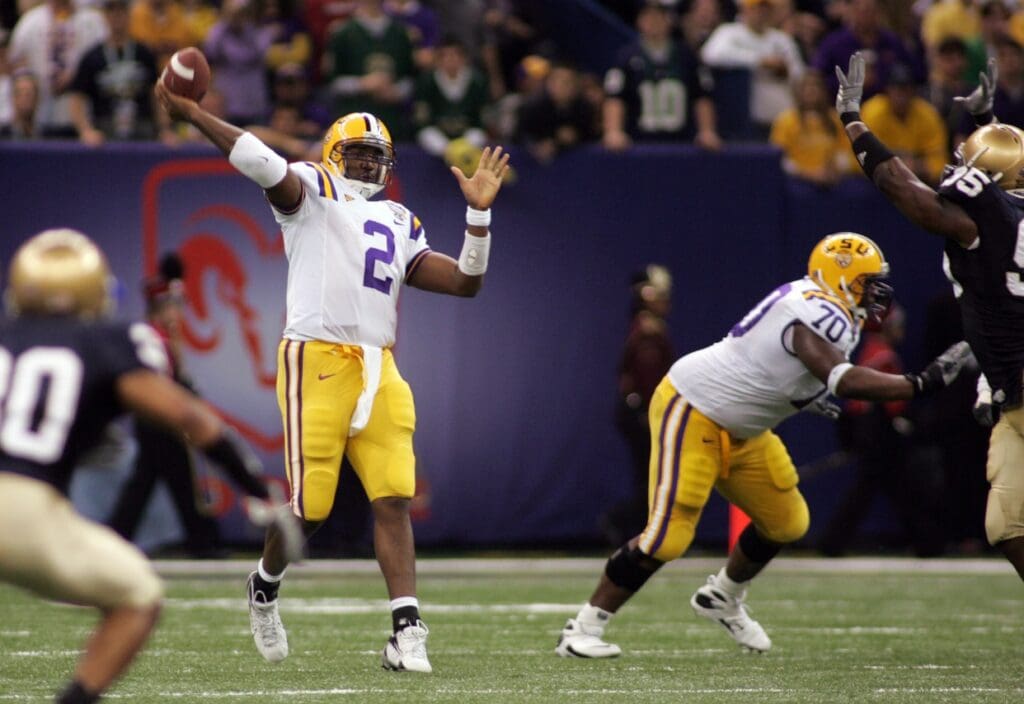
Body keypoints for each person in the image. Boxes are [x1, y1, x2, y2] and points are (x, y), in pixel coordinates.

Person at [154, 73, 511, 673]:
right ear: (334, 154)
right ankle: (264, 587)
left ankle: (407, 628)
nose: (369, 165)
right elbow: (261, 161)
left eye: (378, 157)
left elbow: (466, 283)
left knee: (393, 495)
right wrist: (195, 114)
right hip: (316, 356)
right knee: (310, 505)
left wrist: (479, 219)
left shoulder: (401, 218)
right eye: (360, 154)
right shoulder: (312, 190)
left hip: (380, 364)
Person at [554, 232, 974, 657]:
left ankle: (723, 596)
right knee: (667, 538)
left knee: (786, 521)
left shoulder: (828, 307)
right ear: (840, 279)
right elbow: (841, 377)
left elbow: (785, 364)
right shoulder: (816, 310)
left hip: (744, 426)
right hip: (695, 406)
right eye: (868, 281)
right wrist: (920, 383)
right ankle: (582, 629)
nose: (877, 293)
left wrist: (805, 396)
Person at [0, 228, 301, 704]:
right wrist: (256, 489)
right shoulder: (106, 340)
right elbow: (189, 417)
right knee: (138, 593)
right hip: (23, 507)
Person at [836, 51, 1024, 580]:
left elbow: (905, 190)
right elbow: (1010, 177)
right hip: (1012, 396)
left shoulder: (981, 221)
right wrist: (989, 125)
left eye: (970, 168)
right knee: (1006, 527)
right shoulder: (1009, 206)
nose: (959, 175)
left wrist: (853, 121)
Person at [106, 253, 225, 558]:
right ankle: (201, 541)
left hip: (157, 418)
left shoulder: (164, 335)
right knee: (172, 480)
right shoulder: (153, 336)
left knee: (149, 481)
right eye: (174, 307)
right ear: (163, 309)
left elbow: (178, 372)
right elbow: (164, 380)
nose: (179, 313)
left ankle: (119, 539)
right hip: (155, 418)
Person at [601, 264, 675, 547]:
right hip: (640, 412)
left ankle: (639, 529)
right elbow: (648, 377)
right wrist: (649, 410)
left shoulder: (647, 328)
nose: (666, 301)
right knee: (650, 475)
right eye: (661, 294)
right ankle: (630, 526)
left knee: (650, 475)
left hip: (639, 411)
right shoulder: (648, 331)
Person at [602, 0, 721, 152]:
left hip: (680, 141)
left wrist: (707, 131)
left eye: (659, 17)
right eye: (649, 17)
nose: (654, 22)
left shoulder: (687, 57)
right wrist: (614, 131)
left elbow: (702, 96)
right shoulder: (626, 58)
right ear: (640, 21)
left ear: (668, 20)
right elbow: (615, 97)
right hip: (638, 141)